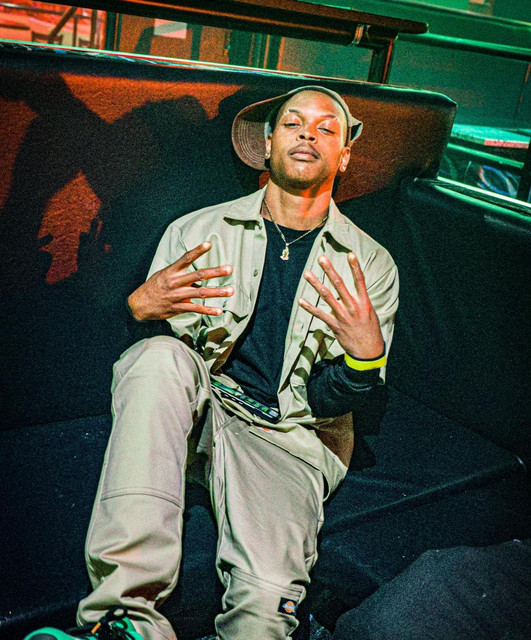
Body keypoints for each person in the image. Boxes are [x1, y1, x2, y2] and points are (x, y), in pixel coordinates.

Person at [26, 86, 399, 640]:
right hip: (198, 412)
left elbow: (329, 406)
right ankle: (125, 619)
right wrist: (138, 311)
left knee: (265, 607)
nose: (307, 133)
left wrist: (364, 361)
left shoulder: (369, 264)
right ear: (267, 144)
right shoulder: (197, 231)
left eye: (326, 128)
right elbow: (151, 369)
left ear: (344, 156)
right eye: (293, 123)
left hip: (289, 438)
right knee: (157, 358)